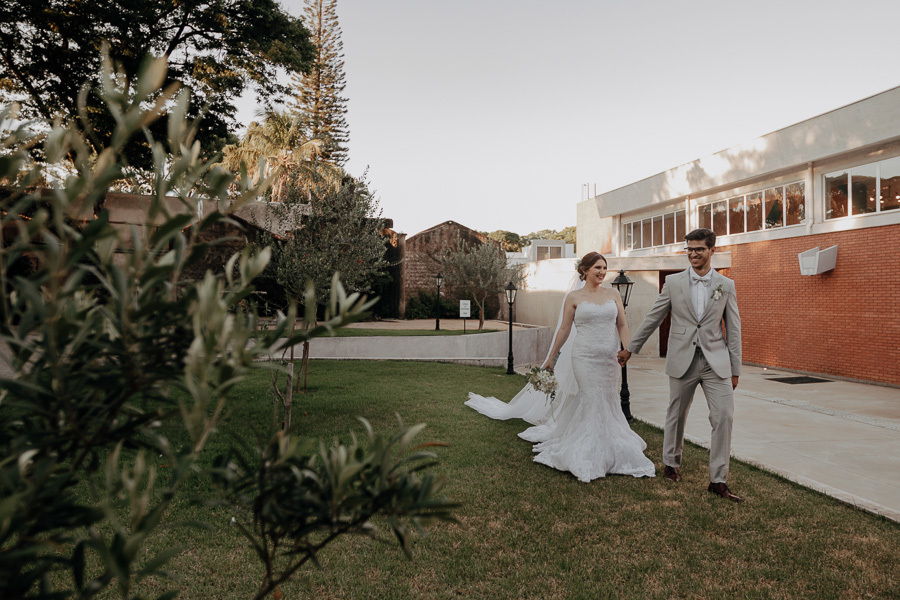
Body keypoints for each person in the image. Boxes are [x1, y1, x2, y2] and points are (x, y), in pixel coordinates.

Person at [466, 252, 655, 482]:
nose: (602, 272)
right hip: (584, 358)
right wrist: (550, 357)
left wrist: (628, 348)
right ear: (584, 270)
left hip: (609, 359)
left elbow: (622, 324)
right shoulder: (574, 297)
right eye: (597, 267)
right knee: (592, 399)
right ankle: (589, 451)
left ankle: (611, 444)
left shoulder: (614, 294)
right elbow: (564, 329)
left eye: (605, 267)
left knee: (607, 400)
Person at [618, 228, 743, 502]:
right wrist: (631, 348)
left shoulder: (726, 285)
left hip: (716, 361)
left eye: (699, 249)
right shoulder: (673, 283)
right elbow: (654, 316)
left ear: (712, 251)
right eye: (689, 249)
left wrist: (735, 370)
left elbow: (733, 330)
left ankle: (718, 480)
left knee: (724, 416)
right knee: (676, 413)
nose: (693, 254)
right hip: (682, 358)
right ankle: (671, 463)